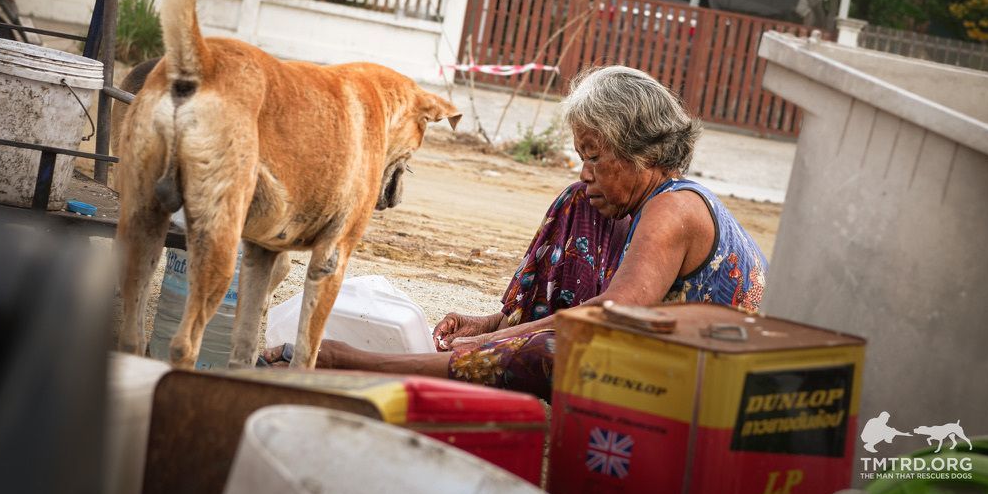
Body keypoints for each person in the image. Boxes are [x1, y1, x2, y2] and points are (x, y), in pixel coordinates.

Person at [260, 66, 767, 400]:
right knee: (575, 203)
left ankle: (352, 363)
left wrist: (503, 340)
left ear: (645, 154)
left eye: (594, 155)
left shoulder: (675, 208)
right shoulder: (641, 200)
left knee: (551, 349)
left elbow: (611, 318)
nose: (585, 169)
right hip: (644, 349)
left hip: (690, 386)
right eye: (581, 155)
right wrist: (497, 322)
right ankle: (501, 335)